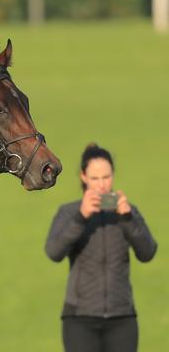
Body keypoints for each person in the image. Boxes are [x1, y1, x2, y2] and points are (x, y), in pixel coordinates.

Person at [45, 144, 157, 352]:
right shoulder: (69, 212)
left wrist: (127, 219)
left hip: (122, 317)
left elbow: (148, 252)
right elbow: (54, 251)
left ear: (113, 175)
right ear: (83, 177)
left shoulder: (128, 212)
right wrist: (81, 217)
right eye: (95, 178)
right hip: (79, 319)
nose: (101, 185)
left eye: (106, 177)